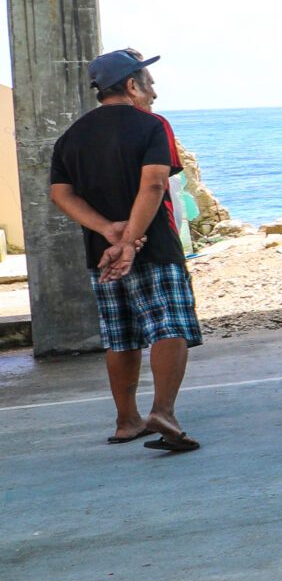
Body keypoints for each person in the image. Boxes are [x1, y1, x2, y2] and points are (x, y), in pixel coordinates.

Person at [46, 49, 201, 452]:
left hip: (102, 253)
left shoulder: (71, 137)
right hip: (154, 247)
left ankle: (126, 421)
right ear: (132, 85)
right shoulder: (152, 126)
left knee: (121, 337)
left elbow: (60, 194)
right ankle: (163, 412)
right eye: (148, 82)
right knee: (170, 325)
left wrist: (109, 232)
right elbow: (153, 185)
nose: (154, 91)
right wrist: (131, 240)